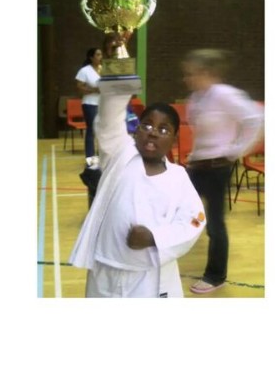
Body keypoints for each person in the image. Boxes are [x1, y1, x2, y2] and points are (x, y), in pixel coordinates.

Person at [69, 89, 207, 298]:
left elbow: (194, 221)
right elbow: (108, 122)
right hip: (105, 267)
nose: (153, 133)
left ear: (174, 139)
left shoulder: (178, 177)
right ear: (136, 130)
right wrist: (118, 86)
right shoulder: (119, 154)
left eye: (163, 129)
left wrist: (153, 237)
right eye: (147, 125)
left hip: (150, 276)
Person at [182, 48, 264, 294]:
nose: (187, 78)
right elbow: (201, 134)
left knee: (215, 224)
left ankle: (215, 276)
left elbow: (256, 118)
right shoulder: (196, 98)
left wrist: (236, 150)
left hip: (218, 168)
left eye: (191, 73)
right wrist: (193, 157)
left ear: (206, 72)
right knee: (181, 210)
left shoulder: (224, 94)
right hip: (197, 166)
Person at [75, 48, 103, 159]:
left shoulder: (104, 69)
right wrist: (94, 90)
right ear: (91, 57)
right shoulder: (85, 70)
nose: (100, 57)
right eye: (98, 55)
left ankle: (102, 155)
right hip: (90, 103)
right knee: (91, 130)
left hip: (103, 104)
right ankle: (90, 157)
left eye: (101, 54)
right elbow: (79, 87)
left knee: (102, 130)